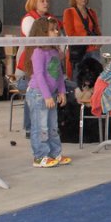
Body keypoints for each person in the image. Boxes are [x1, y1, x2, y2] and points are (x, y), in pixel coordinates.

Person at [23, 17, 71, 168]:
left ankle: (55, 153)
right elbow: (39, 75)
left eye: (57, 29)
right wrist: (47, 96)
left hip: (51, 94)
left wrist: (62, 91)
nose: (56, 32)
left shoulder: (55, 52)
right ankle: (40, 156)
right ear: (42, 33)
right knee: (40, 127)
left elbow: (58, 74)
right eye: (52, 29)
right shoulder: (38, 52)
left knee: (52, 126)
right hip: (38, 94)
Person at [16, 0, 63, 136]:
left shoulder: (51, 19)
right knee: (34, 93)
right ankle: (30, 128)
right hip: (27, 69)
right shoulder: (29, 20)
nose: (46, 3)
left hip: (49, 66)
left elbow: (61, 35)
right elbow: (34, 37)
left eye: (47, 1)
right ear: (34, 3)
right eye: (42, 1)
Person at [63, 0, 102, 84]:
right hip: (79, 50)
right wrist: (86, 38)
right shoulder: (69, 12)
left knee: (95, 77)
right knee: (78, 77)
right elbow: (70, 32)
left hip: (93, 49)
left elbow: (97, 29)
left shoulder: (91, 12)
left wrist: (100, 41)